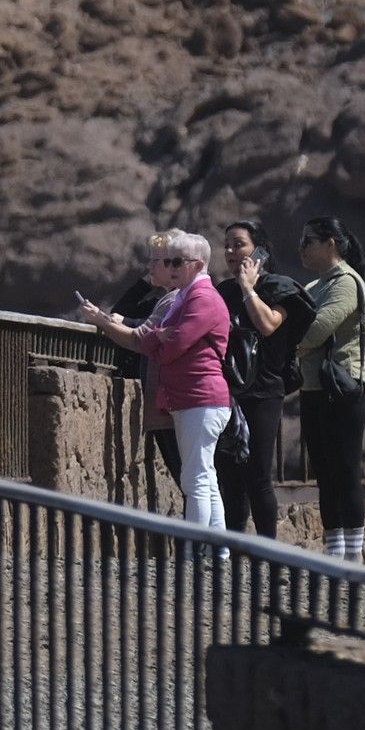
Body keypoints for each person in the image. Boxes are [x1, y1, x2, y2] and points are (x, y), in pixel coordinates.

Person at [81, 231, 231, 549]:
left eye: (177, 261)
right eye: (169, 261)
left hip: (200, 397)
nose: (170, 267)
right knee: (205, 477)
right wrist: (160, 338)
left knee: (196, 480)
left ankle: (193, 552)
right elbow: (154, 339)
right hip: (191, 397)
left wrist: (161, 340)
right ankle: (220, 551)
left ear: (198, 264)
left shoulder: (202, 298)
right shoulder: (185, 297)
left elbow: (170, 346)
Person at [215, 221, 315, 539]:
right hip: (229, 391)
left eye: (239, 244)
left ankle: (267, 549)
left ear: (259, 250)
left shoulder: (279, 288)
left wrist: (248, 288)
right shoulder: (223, 292)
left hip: (263, 391)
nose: (231, 251)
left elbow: (268, 324)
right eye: (227, 245)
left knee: (258, 473)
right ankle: (233, 546)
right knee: (229, 474)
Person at [295, 216, 365, 563]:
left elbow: (316, 329)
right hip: (316, 387)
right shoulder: (319, 284)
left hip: (345, 389)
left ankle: (354, 552)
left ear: (330, 243)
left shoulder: (345, 283)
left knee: (345, 470)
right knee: (324, 469)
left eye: (308, 241)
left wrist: (286, 345)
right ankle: (335, 549)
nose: (301, 249)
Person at [105, 228, 185, 490]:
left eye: (156, 260)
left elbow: (146, 332)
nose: (149, 265)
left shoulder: (181, 299)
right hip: (165, 399)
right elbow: (120, 313)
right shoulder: (160, 296)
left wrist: (122, 322)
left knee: (191, 480)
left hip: (178, 400)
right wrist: (148, 280)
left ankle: (205, 532)